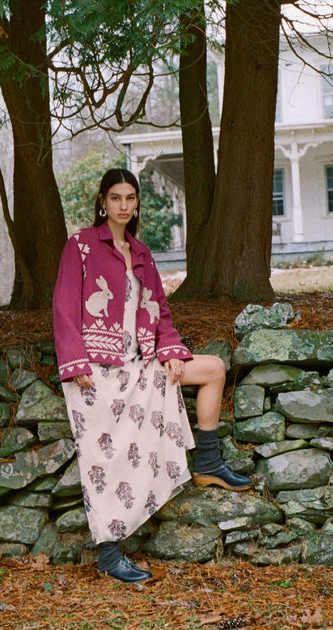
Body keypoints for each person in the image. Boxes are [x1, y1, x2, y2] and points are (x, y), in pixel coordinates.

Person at [52, 168, 252, 584]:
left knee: (213, 368)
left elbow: (160, 310)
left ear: (137, 202)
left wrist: (171, 351)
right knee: (103, 457)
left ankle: (209, 462)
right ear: (102, 202)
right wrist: (75, 363)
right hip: (97, 370)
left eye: (130, 198)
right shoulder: (82, 246)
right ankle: (109, 552)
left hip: (141, 363)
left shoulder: (142, 253)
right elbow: (64, 304)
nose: (123, 206)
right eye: (115, 198)